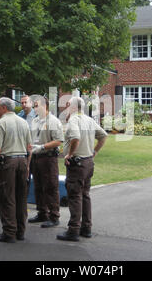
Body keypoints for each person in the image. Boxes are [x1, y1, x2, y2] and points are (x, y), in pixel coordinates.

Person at [56, 96, 107, 242]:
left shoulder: (74, 119)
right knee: (85, 195)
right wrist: (94, 152)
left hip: (77, 164)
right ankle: (86, 228)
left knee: (75, 196)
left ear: (70, 106)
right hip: (88, 162)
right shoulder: (89, 120)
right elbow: (103, 136)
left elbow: (76, 138)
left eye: (67, 105)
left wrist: (69, 155)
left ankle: (73, 230)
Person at [0, 97, 32, 243]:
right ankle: (20, 231)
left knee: (7, 197)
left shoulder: (0, 123)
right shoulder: (23, 122)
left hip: (8, 162)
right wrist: (27, 165)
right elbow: (29, 148)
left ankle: (9, 232)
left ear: (4, 108)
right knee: (21, 197)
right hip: (22, 161)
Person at [28, 96, 64, 228]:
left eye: (36, 105)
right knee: (38, 186)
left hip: (48, 157)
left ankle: (54, 216)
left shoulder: (53, 121)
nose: (34, 108)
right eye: (34, 106)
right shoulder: (35, 120)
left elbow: (59, 140)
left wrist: (42, 147)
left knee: (51, 186)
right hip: (36, 157)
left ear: (45, 106)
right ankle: (42, 212)